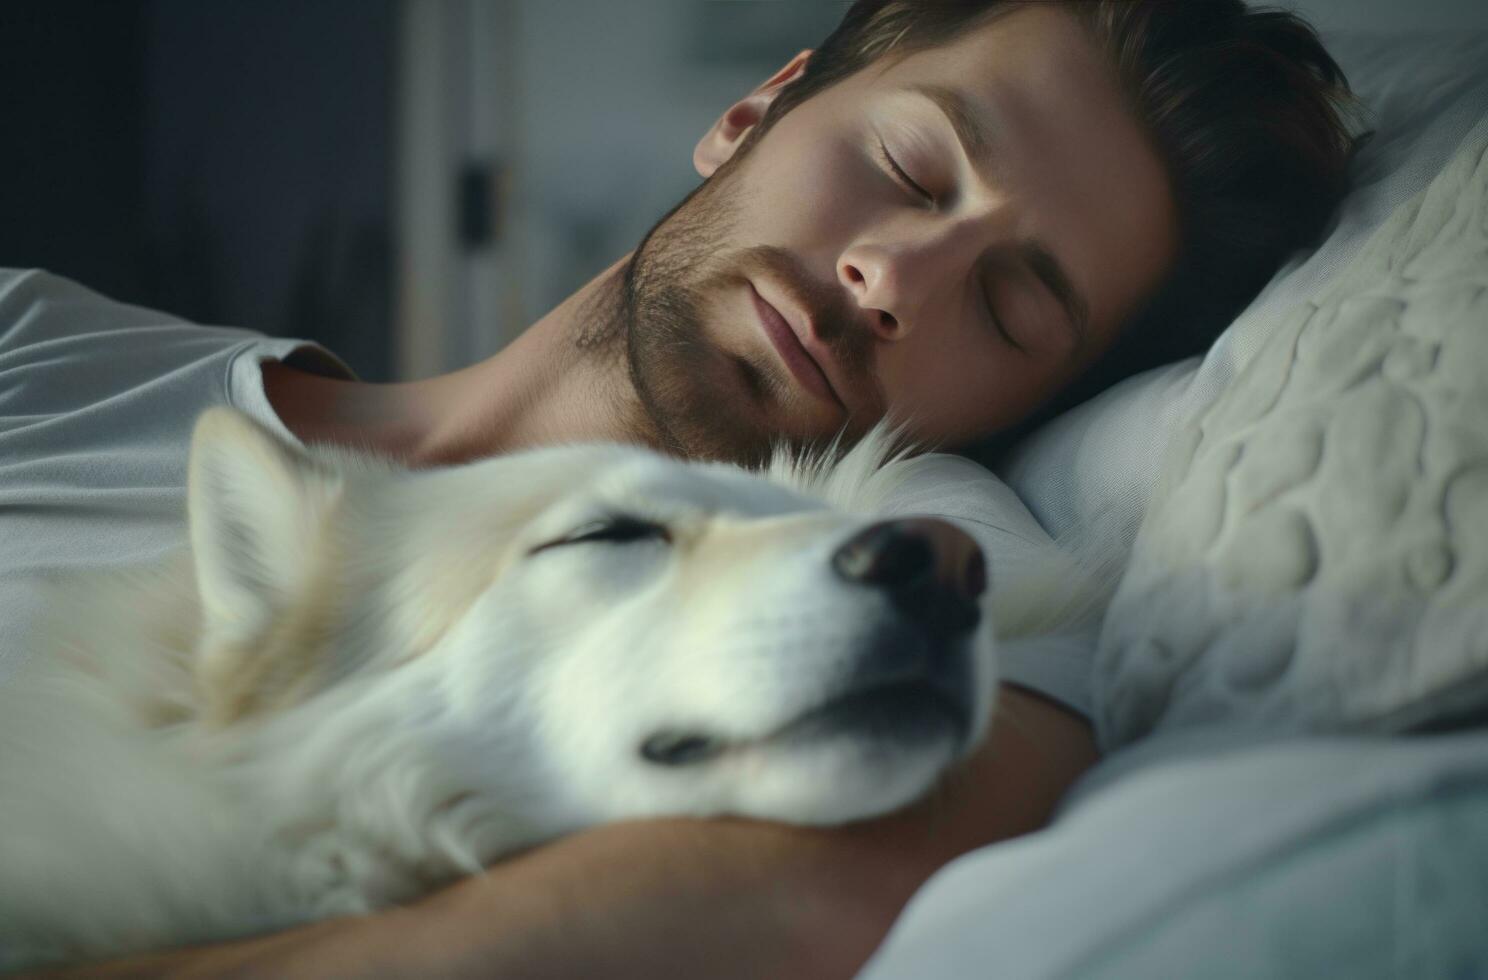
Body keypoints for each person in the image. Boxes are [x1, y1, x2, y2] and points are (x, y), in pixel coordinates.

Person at [1, 1, 1355, 976]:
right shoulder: (35, 354)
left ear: (1031, 405)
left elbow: (843, 885)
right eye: (909, 167)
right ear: (750, 114)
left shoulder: (913, 545)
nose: (897, 278)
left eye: (1008, 305)